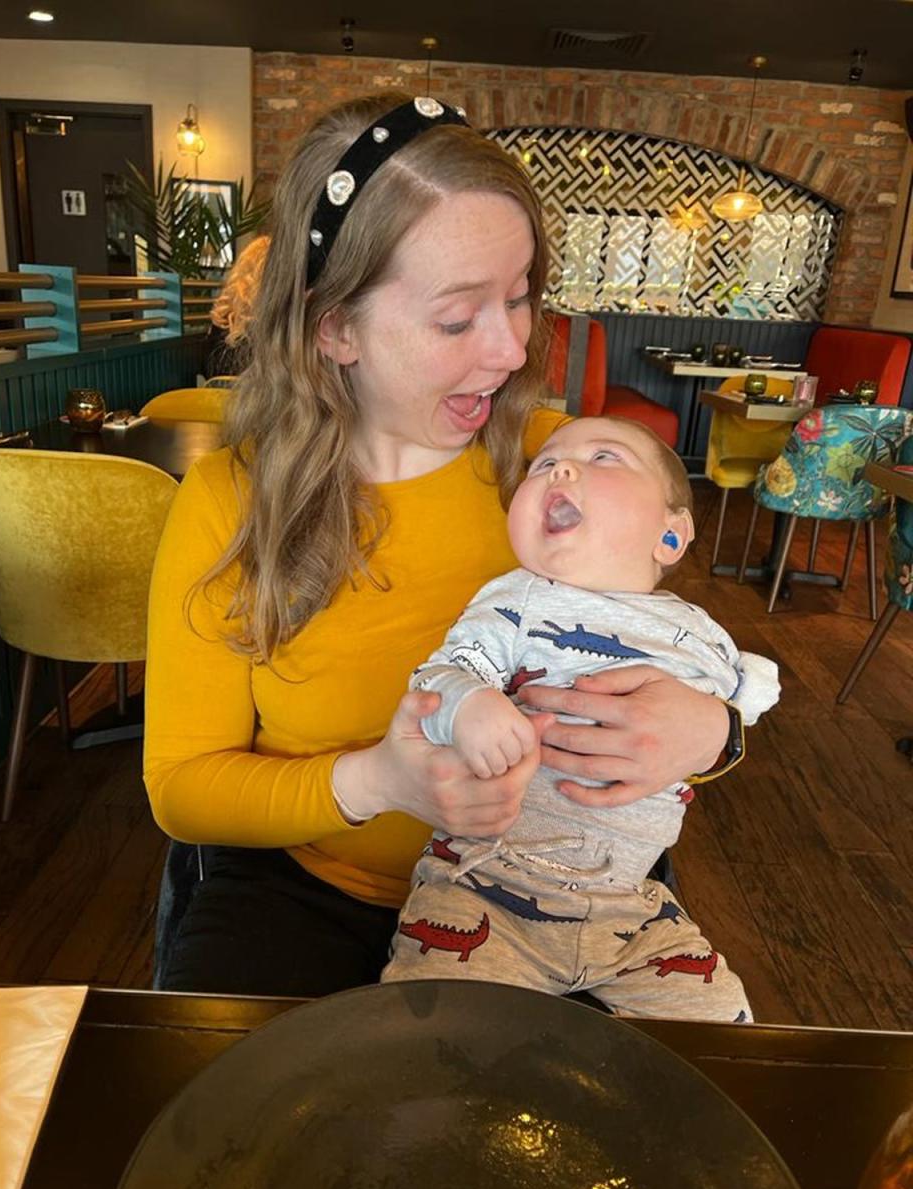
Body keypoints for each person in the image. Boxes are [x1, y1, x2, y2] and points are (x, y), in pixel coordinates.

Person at [143, 93, 740, 999]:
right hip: (312, 894)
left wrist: (714, 731)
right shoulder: (232, 502)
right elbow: (182, 786)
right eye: (459, 319)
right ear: (331, 326)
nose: (508, 351)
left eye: (520, 298)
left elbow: (685, 653)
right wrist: (378, 779)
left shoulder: (563, 465)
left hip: (564, 905)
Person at [381, 415, 780, 1020]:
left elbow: (739, 714)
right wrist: (468, 706)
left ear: (671, 536)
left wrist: (722, 726)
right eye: (544, 464)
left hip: (632, 906)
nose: (561, 467)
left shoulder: (705, 636)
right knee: (438, 1031)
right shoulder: (515, 602)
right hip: (484, 886)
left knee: (726, 1029)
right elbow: (435, 680)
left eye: (605, 457)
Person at [201, 234, 271, 379]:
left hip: (216, 399)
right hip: (257, 399)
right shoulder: (275, 320)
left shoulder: (222, 318)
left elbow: (207, 371)